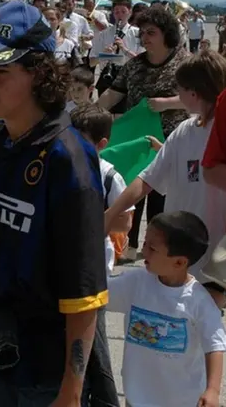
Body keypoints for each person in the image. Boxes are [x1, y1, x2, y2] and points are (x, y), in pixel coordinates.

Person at [0, 0, 109, 406]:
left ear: (40, 73)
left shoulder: (68, 157)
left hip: (44, 372)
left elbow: (85, 286)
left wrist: (71, 391)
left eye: (0, 72)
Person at [106, 51, 226, 280]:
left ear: (194, 93)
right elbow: (147, 179)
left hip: (213, 262)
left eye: (179, 89)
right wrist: (110, 214)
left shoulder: (220, 134)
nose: (177, 95)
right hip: (177, 255)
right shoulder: (184, 131)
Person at [106, 211, 226, 407]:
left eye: (152, 248)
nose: (144, 252)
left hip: (182, 402)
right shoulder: (136, 283)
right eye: (144, 244)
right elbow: (100, 294)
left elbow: (215, 345)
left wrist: (212, 390)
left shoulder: (198, 301)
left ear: (179, 262)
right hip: (136, 399)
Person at [98, 6, 190, 258]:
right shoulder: (134, 66)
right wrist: (90, 113)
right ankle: (130, 246)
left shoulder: (184, 63)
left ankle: (158, 250)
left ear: (166, 34)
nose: (145, 37)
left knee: (162, 198)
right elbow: (114, 94)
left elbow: (199, 97)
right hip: (138, 142)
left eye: (152, 32)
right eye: (142, 33)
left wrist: (167, 103)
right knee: (132, 191)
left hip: (171, 141)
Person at [70, 104, 132, 407]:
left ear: (101, 144)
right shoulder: (62, 166)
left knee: (94, 345)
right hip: (61, 268)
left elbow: (125, 221)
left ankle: (105, 400)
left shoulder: (108, 176)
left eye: (82, 140)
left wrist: (88, 219)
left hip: (93, 273)